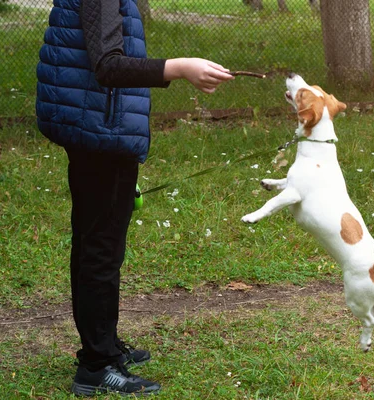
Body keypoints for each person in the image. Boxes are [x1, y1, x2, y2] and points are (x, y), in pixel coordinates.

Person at [35, 0, 234, 396]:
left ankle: (101, 346)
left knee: (95, 244)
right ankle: (97, 366)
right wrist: (179, 67)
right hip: (101, 133)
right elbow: (108, 65)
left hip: (97, 127)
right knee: (101, 251)